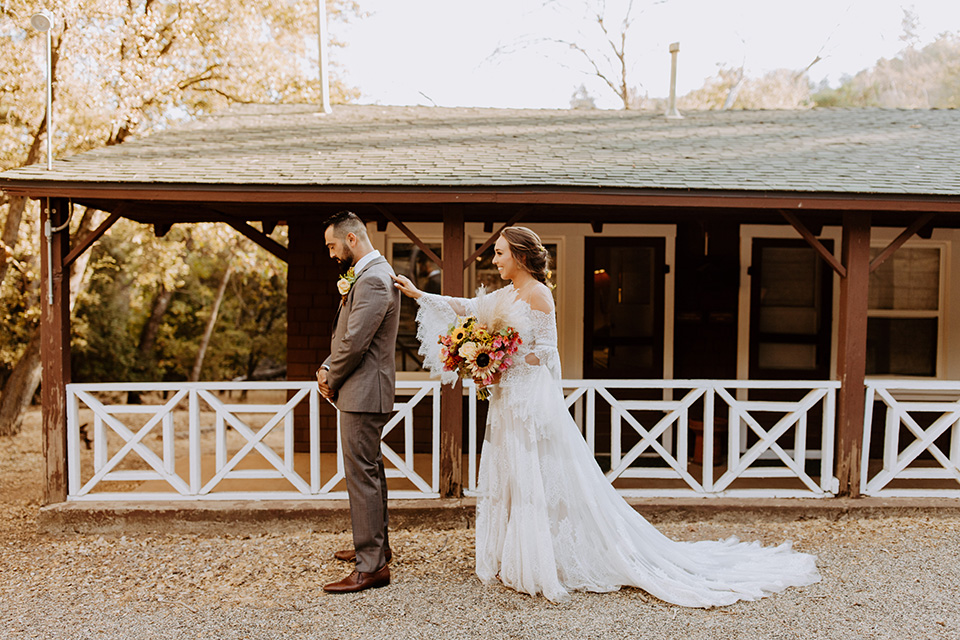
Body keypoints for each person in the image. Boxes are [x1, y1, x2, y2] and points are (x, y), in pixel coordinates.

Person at [391, 226, 820, 607]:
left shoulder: (539, 294)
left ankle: (540, 562)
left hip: (528, 399)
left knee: (536, 476)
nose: (495, 260)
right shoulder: (506, 293)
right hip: (506, 397)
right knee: (512, 476)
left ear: (520, 256)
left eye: (500, 253)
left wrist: (502, 357)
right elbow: (468, 306)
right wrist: (420, 295)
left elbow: (547, 352)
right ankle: (512, 555)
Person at [317, 211, 400, 594]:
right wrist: (326, 366)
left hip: (364, 392)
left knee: (361, 476)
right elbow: (347, 337)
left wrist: (331, 377)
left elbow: (354, 342)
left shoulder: (374, 280)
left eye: (333, 245)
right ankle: (375, 549)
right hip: (364, 390)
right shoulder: (372, 276)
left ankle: (371, 567)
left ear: (352, 239)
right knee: (370, 471)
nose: (332, 254)